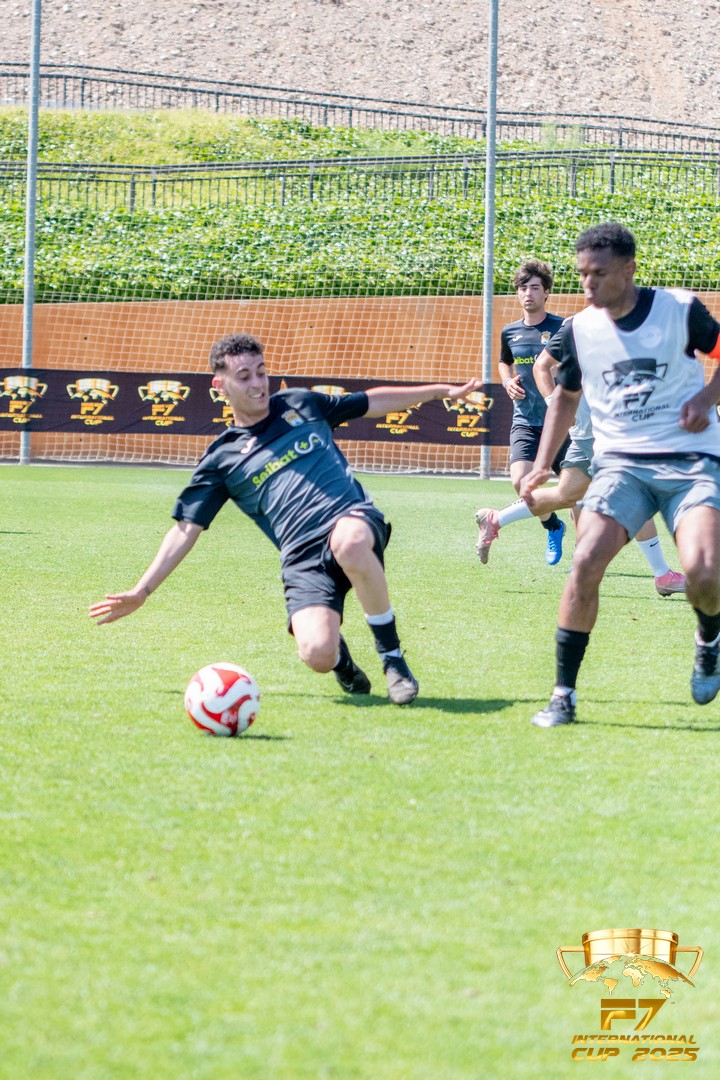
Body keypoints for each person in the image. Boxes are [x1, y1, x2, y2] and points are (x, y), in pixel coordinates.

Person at [89, 333, 482, 707]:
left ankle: (392, 658)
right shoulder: (221, 459)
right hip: (302, 558)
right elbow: (185, 530)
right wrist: (142, 590)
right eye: (245, 376)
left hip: (351, 520)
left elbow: (370, 402)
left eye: (261, 372)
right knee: (316, 655)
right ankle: (340, 659)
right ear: (220, 385)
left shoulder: (300, 403)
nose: (258, 384)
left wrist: (437, 392)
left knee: (349, 543)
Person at [518, 222, 720, 727]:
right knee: (585, 559)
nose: (588, 284)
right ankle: (563, 695)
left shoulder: (679, 309)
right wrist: (542, 464)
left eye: (599, 274)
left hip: (691, 462)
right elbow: (565, 397)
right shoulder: (579, 329)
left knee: (703, 571)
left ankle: (709, 638)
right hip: (621, 466)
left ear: (629, 269)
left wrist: (705, 397)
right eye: (581, 274)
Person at [473, 370, 686, 597]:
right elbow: (543, 366)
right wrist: (555, 404)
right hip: (600, 433)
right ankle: (662, 575)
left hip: (591, 430)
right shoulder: (583, 348)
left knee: (565, 494)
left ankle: (495, 519)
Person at [488, 258, 569, 567]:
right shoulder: (510, 331)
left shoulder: (561, 327)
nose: (528, 294)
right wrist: (507, 381)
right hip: (525, 419)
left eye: (535, 288)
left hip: (561, 422)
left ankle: (582, 559)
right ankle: (553, 526)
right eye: (523, 288)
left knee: (573, 489)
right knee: (522, 483)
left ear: (546, 292)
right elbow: (504, 361)